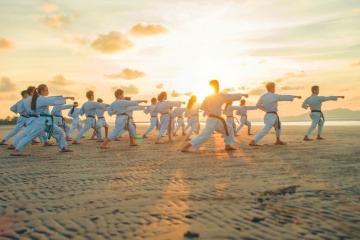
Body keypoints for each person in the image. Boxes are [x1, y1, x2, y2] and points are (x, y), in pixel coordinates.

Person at [181, 80, 248, 152]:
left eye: (218, 85)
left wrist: (210, 109)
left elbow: (202, 107)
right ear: (214, 86)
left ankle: (228, 145)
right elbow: (231, 96)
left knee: (229, 128)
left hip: (217, 119)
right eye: (217, 85)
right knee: (205, 135)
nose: (218, 87)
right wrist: (243, 94)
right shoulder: (219, 96)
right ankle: (186, 147)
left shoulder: (208, 97)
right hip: (212, 120)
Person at [11, 84, 74, 155]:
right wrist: (66, 98)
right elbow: (52, 101)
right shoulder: (41, 99)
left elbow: (50, 98)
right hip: (41, 122)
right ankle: (16, 150)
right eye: (46, 90)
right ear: (42, 91)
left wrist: (64, 97)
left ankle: (63, 147)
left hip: (47, 121)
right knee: (31, 136)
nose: (48, 91)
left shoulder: (39, 98)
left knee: (59, 132)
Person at [249, 82, 301, 146]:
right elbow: (283, 97)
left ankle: (278, 140)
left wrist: (266, 109)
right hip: (271, 115)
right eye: (274, 87)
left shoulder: (263, 96)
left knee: (279, 126)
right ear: (272, 88)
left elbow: (258, 105)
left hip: (269, 114)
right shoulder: (274, 96)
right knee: (266, 129)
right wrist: (295, 96)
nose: (275, 89)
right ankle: (253, 141)